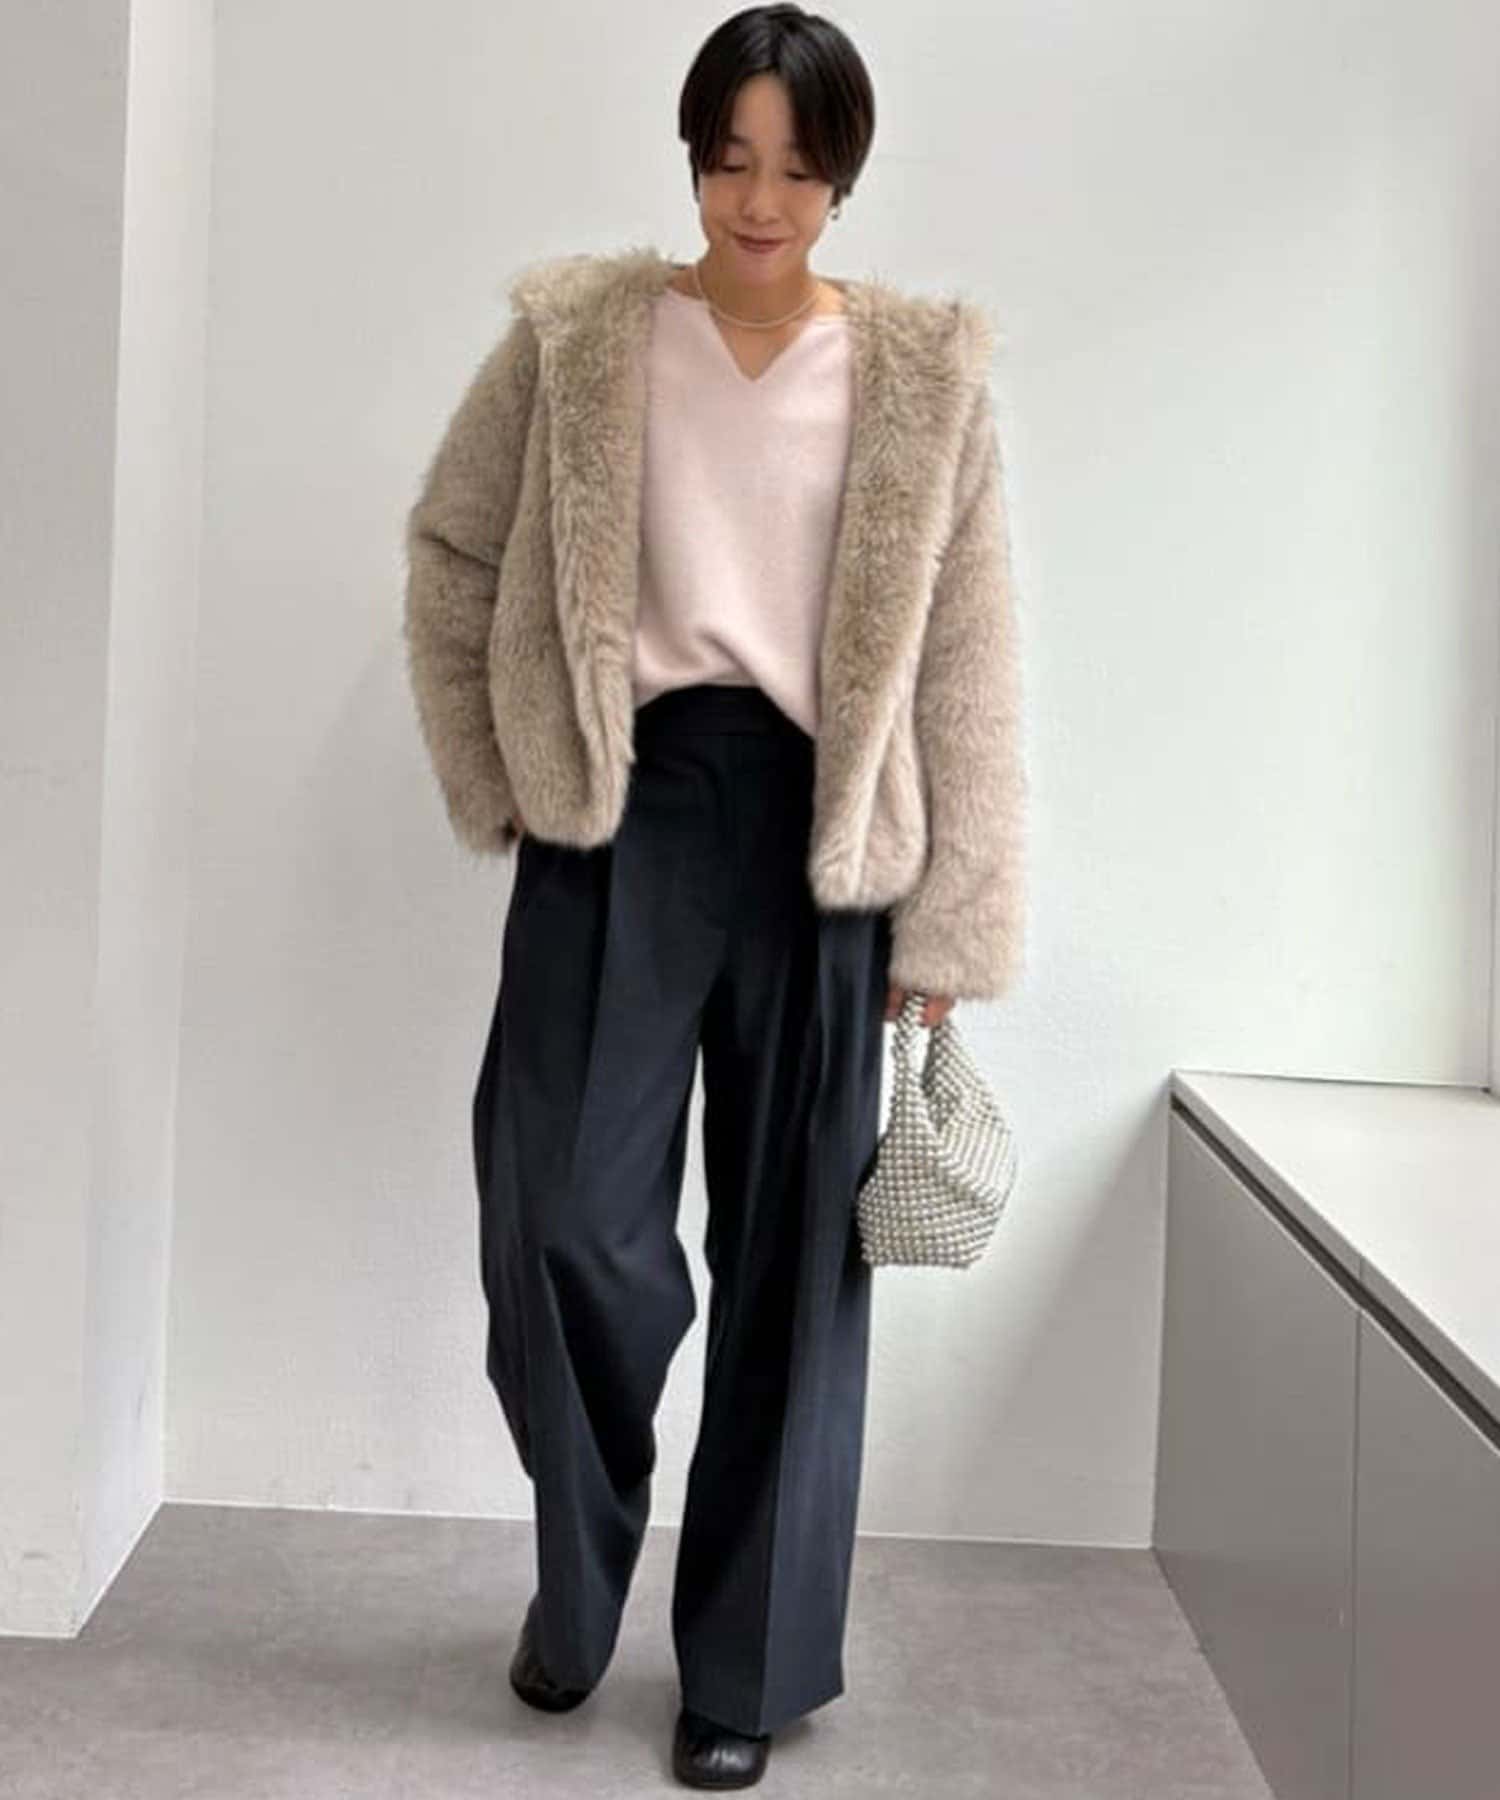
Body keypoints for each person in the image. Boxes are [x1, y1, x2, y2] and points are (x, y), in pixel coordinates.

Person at [402, 5, 1026, 1787]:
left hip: (823, 836)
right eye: (731, 159)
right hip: (621, 811)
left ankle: (743, 1670)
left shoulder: (921, 376)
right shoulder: (582, 337)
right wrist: (507, 773)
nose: (761, 200)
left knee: (794, 1258)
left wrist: (949, 925)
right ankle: (580, 1580)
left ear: (844, 177)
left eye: (799, 168)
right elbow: (455, 549)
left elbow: (967, 658)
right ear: (692, 158)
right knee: (560, 1220)